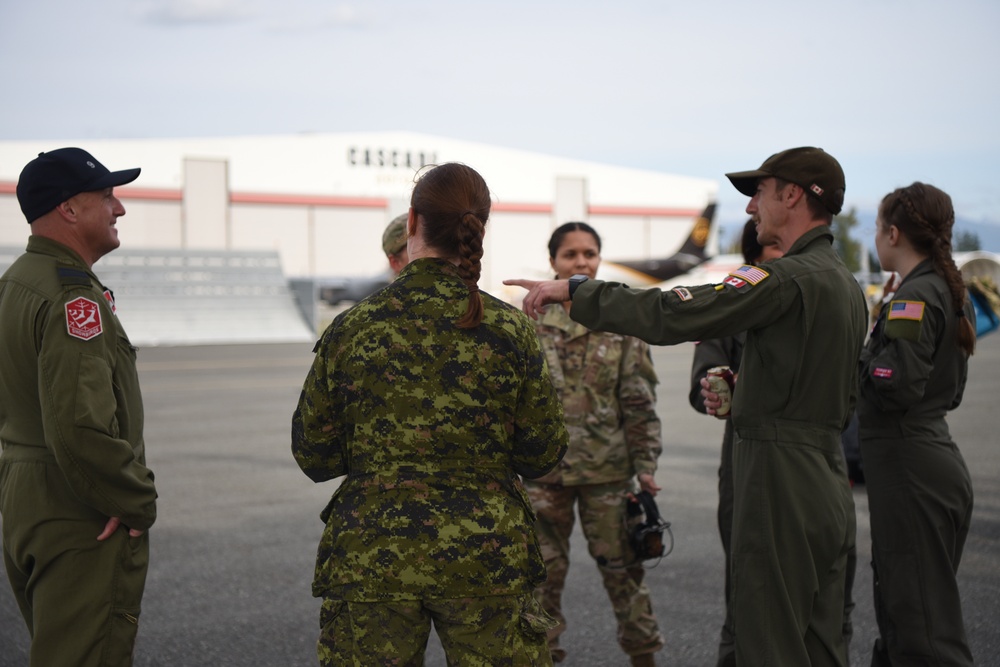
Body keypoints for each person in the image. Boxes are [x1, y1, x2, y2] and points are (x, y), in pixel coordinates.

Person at [507, 146, 868, 667]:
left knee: (769, 635)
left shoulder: (787, 278)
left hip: (779, 476)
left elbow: (675, 313)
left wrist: (577, 292)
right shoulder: (845, 283)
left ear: (792, 195)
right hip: (827, 475)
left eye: (759, 195)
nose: (750, 209)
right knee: (820, 638)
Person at [291, 162, 569, 666]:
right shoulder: (508, 330)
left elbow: (313, 455)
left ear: (413, 221)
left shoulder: (353, 329)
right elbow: (542, 453)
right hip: (487, 556)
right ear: (478, 226)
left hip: (373, 557)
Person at [0, 148, 158, 666]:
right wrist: (133, 498)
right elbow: (79, 426)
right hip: (78, 506)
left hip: (27, 495)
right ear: (69, 209)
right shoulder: (73, 300)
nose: (120, 209)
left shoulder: (16, 284)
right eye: (108, 196)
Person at [526, 221, 664, 666]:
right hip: (544, 477)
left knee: (625, 578)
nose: (581, 261)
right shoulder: (529, 319)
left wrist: (646, 467)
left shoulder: (619, 319)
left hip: (608, 474)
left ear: (599, 259)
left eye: (589, 253)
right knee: (539, 584)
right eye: (570, 255)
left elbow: (638, 400)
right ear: (553, 263)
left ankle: (644, 656)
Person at [859, 182, 976, 667]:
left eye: (877, 227)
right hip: (928, 459)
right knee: (905, 617)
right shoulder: (942, 288)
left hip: (911, 467)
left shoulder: (916, 296)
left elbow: (895, 381)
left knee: (924, 633)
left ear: (892, 232)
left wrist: (857, 359)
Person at [688, 219, 782, 667]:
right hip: (746, 455)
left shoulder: (822, 293)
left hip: (813, 458)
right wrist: (718, 385)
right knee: (745, 587)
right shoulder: (735, 299)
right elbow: (705, 371)